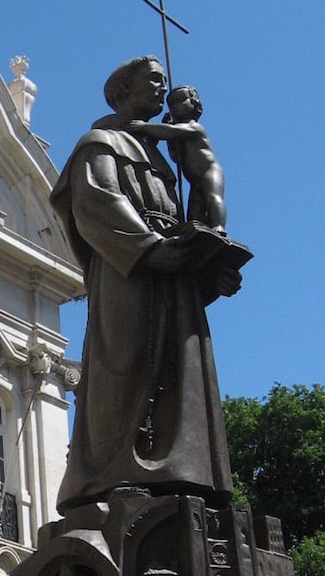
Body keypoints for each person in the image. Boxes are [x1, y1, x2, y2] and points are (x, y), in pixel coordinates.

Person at [50, 56, 241, 515]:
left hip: (172, 276)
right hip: (128, 273)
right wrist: (150, 248)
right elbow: (97, 204)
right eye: (152, 80)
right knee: (126, 362)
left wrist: (208, 265)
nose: (162, 87)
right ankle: (116, 472)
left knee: (183, 367)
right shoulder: (100, 143)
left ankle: (183, 471)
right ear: (122, 88)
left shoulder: (160, 153)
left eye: (162, 79)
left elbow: (184, 217)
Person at [128, 85, 227, 233]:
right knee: (194, 213)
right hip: (194, 180)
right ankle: (199, 232)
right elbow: (175, 156)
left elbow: (170, 132)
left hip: (209, 171)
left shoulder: (194, 128)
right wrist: (169, 140)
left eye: (181, 100)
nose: (175, 106)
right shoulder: (178, 136)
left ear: (194, 103)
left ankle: (219, 226)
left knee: (212, 198)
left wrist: (144, 127)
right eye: (172, 104)